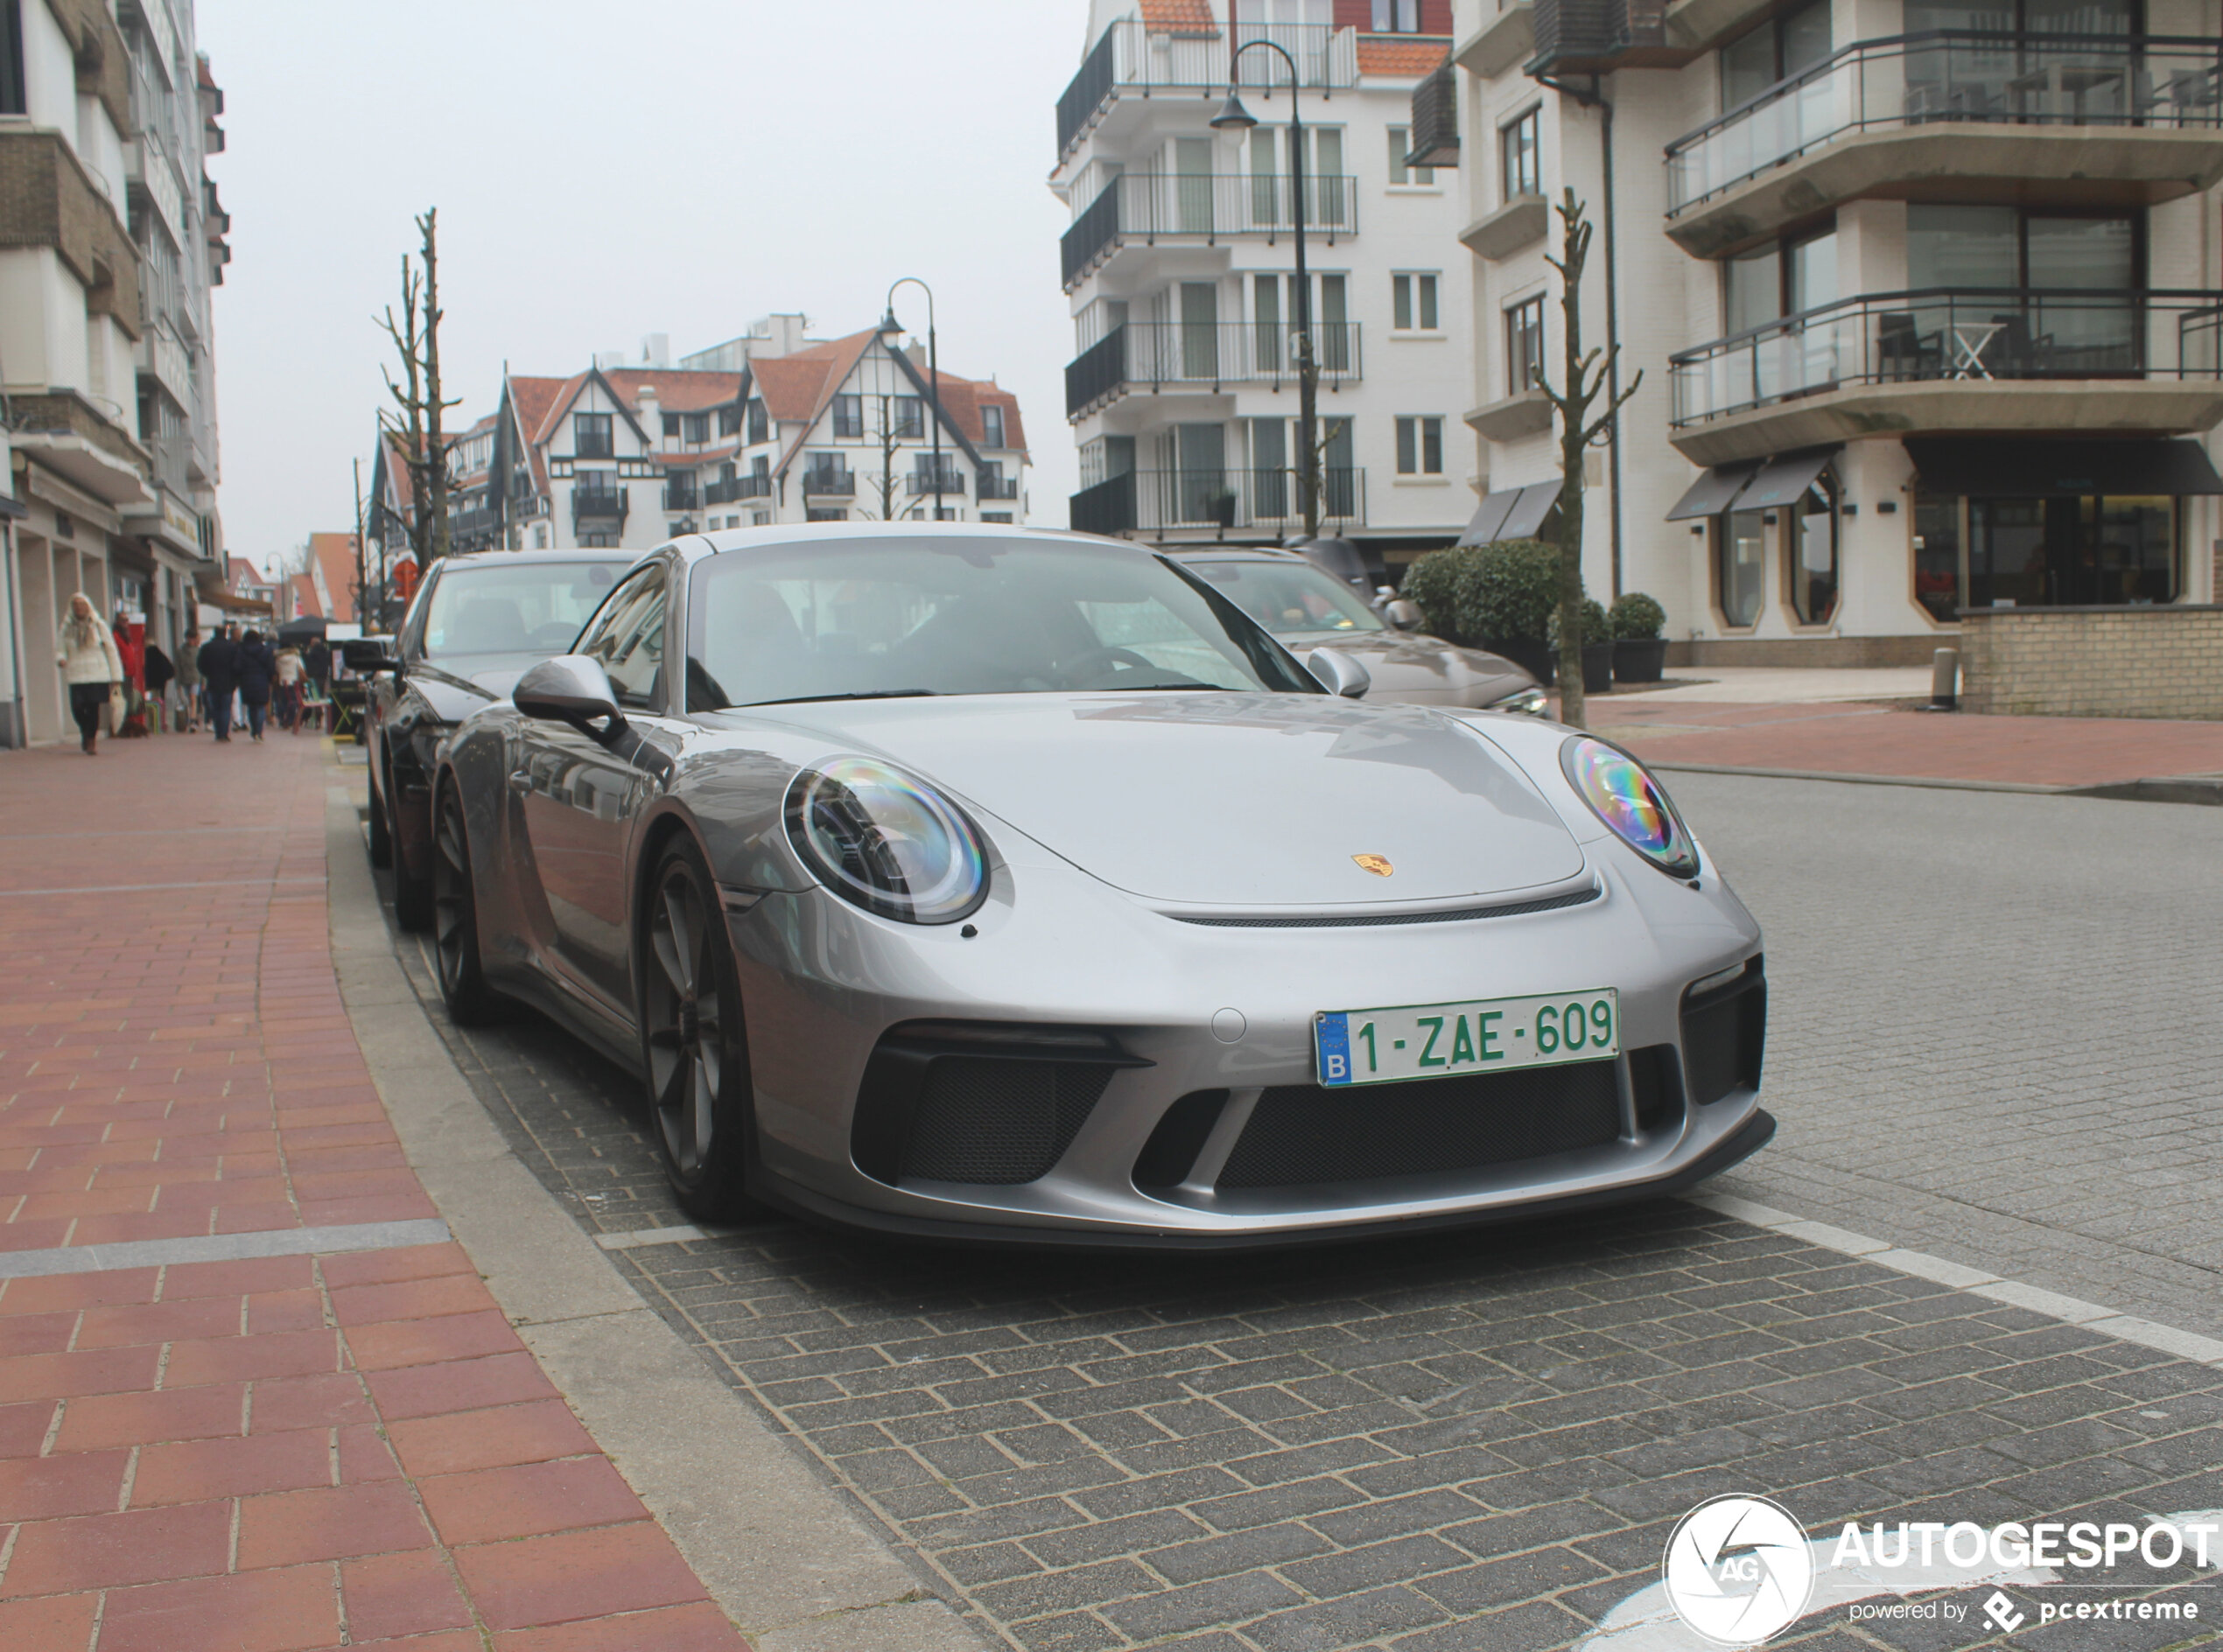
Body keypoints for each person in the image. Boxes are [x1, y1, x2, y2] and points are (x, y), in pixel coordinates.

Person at [57, 592, 124, 755]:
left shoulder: (98, 625)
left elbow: (111, 649)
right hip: (76, 674)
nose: (79, 608)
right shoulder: (67, 627)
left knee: (93, 709)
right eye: (76, 605)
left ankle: (91, 741)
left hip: (97, 673)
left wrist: (116, 676)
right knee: (77, 708)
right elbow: (60, 648)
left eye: (82, 605)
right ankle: (85, 731)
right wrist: (61, 659)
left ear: (88, 607)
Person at [198, 625, 241, 742]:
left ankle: (218, 733)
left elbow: (200, 665)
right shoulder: (232, 647)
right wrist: (235, 679)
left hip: (212, 682)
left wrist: (208, 673)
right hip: (228, 682)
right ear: (225, 633)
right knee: (226, 708)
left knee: (216, 708)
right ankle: (225, 733)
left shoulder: (206, 647)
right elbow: (237, 666)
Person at [235, 628, 276, 742]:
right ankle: (259, 731)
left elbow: (237, 667)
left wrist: (239, 678)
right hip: (262, 681)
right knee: (261, 707)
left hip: (246, 681)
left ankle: (254, 730)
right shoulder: (266, 651)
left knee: (251, 707)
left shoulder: (241, 651)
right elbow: (271, 668)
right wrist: (270, 679)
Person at [143, 639, 175, 732]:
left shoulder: (145, 656)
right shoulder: (161, 655)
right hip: (160, 685)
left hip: (147, 685)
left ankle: (150, 723)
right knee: (159, 703)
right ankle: (160, 723)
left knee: (148, 704)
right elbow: (171, 670)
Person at [176, 625, 203, 732]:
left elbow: (202, 666)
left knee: (193, 698)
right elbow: (177, 667)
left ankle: (192, 720)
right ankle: (191, 719)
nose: (191, 640)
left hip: (196, 678)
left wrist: (204, 681)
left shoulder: (199, 650)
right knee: (187, 700)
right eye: (190, 638)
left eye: (193, 638)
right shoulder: (180, 651)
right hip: (185, 678)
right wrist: (178, 683)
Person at [274, 643, 305, 733]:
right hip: (293, 682)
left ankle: (282, 719)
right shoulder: (296, 658)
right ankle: (291, 720)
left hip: (282, 682)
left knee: (283, 702)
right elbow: (301, 669)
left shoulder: (278, 659)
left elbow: (277, 671)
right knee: (294, 701)